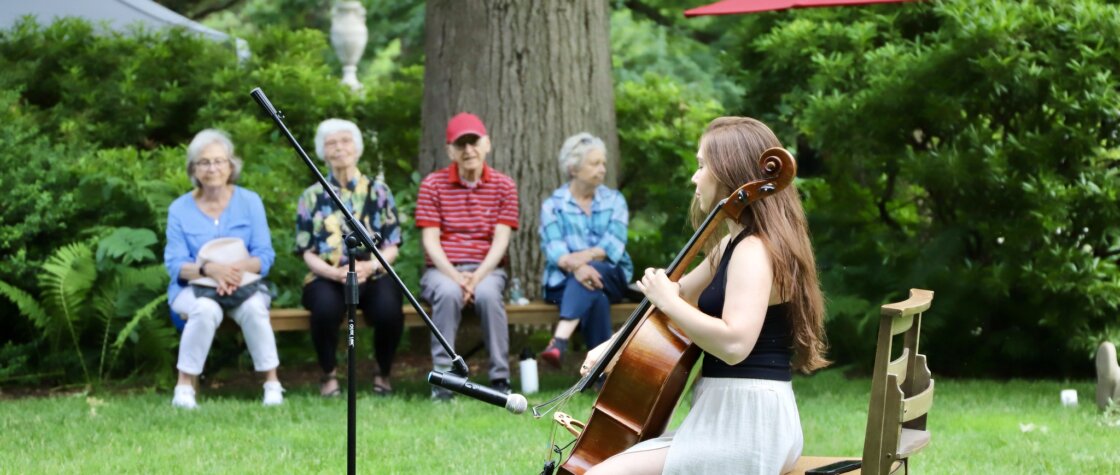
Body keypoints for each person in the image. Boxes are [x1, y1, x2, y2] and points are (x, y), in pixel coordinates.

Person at [582, 117, 829, 474]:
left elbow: (734, 344)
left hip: (746, 426)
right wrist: (613, 345)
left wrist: (668, 299)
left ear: (729, 173)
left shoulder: (754, 250)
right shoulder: (734, 242)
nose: (694, 178)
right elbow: (674, 296)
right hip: (734, 418)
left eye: (702, 166)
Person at [165, 129, 282, 409]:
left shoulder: (250, 201)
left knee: (255, 308)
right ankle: (184, 389)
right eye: (204, 162)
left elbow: (264, 256)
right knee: (205, 310)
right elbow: (175, 265)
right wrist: (210, 271)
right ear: (193, 169)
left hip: (244, 284)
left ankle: (272, 385)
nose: (212, 168)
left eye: (219, 161)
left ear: (231, 166)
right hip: (193, 287)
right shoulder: (179, 208)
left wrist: (232, 272)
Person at [295, 119, 404, 398]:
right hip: (328, 276)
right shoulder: (311, 196)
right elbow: (306, 250)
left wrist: (371, 265)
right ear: (322, 151)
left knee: (389, 309)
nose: (339, 148)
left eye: (345, 141)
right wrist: (334, 274)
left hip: (373, 272)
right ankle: (329, 374)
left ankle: (383, 372)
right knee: (324, 309)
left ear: (357, 148)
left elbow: (393, 243)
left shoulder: (379, 191)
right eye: (331, 143)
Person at [415, 112, 520, 400]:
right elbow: (430, 241)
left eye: (474, 142)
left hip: (487, 270)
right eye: (460, 145)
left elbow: (501, 241)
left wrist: (476, 277)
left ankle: (500, 379)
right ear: (450, 151)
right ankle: (443, 380)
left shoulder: (504, 186)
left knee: (488, 295)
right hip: (442, 270)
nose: (468, 150)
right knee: (448, 294)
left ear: (487, 144)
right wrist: (456, 277)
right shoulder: (432, 185)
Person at [538, 133, 633, 369]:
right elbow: (555, 252)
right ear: (573, 168)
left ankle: (559, 340)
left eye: (603, 163)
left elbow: (613, 246)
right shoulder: (553, 205)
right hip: (563, 282)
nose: (602, 169)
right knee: (596, 298)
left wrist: (582, 263)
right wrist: (578, 267)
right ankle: (601, 375)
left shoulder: (615, 200)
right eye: (594, 163)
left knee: (596, 271)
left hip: (611, 276)